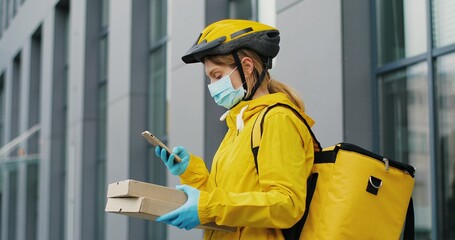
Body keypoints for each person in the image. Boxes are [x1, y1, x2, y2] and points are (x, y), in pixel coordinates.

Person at [155, 19, 317, 240]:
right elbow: (221, 201)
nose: (212, 86)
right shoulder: (240, 125)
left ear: (247, 67)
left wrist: (208, 206)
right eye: (210, 78)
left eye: (217, 76)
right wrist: (190, 172)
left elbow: (286, 204)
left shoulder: (277, 119)